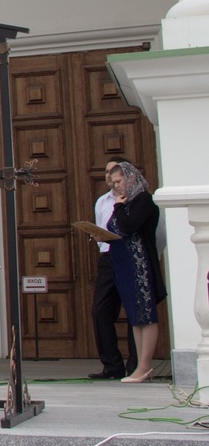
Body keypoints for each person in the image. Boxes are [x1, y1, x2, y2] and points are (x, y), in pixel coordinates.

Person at [105, 161, 166, 383]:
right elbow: (113, 227)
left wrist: (118, 207)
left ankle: (145, 366)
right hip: (125, 266)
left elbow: (128, 226)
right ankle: (140, 367)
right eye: (114, 183)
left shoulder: (144, 201)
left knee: (146, 315)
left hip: (141, 267)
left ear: (130, 178)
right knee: (135, 316)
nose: (116, 187)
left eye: (119, 181)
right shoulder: (127, 202)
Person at [88, 158, 137, 380]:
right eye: (107, 172)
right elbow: (102, 228)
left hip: (129, 257)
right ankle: (111, 365)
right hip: (108, 258)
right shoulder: (102, 202)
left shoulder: (136, 199)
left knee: (134, 310)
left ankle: (135, 365)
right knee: (101, 310)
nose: (109, 176)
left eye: (114, 173)